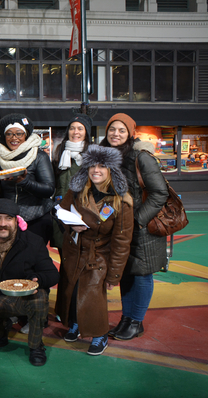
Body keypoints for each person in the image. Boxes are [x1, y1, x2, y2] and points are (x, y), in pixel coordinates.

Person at [55, 145, 134, 356]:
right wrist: (71, 225)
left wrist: (114, 274)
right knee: (71, 290)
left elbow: (122, 240)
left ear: (111, 170)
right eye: (92, 165)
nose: (96, 170)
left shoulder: (121, 201)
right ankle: (75, 324)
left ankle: (100, 334)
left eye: (102, 166)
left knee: (92, 295)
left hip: (100, 255)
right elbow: (60, 212)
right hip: (74, 250)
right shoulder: (77, 191)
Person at [99, 113, 168, 340]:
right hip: (118, 229)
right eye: (112, 129)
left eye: (121, 130)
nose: (115, 134)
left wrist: (137, 220)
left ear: (130, 133)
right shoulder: (105, 157)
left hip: (142, 229)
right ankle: (125, 319)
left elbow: (159, 193)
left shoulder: (141, 158)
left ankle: (136, 322)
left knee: (142, 275)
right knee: (126, 273)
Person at [0, 199, 59, 366]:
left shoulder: (33, 241)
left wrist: (36, 281)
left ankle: (36, 346)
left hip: (25, 296)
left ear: (16, 220)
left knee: (39, 299)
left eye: (8, 218)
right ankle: (2, 329)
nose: (3, 224)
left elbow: (52, 274)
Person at [0, 113, 55, 245]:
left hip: (36, 219)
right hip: (8, 220)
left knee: (34, 261)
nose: (14, 138)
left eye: (19, 133)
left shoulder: (38, 156)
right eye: (9, 134)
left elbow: (49, 189)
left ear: (26, 135)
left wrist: (24, 182)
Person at [51, 114, 92, 250]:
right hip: (61, 211)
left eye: (80, 128)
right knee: (64, 254)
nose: (76, 132)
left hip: (84, 213)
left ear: (86, 132)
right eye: (72, 128)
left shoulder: (92, 155)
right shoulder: (59, 153)